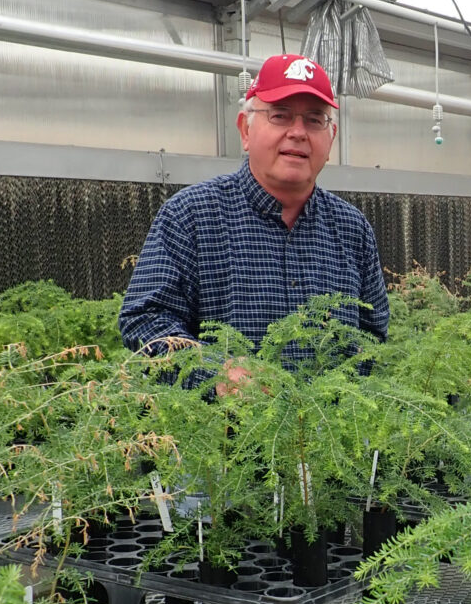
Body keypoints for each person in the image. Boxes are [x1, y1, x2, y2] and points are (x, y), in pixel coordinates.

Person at [118, 53, 389, 385]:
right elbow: (144, 321)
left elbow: (374, 335)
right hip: (221, 432)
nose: (299, 132)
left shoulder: (352, 229)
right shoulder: (190, 216)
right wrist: (215, 373)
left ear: (330, 138)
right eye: (280, 116)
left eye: (315, 119)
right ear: (245, 130)